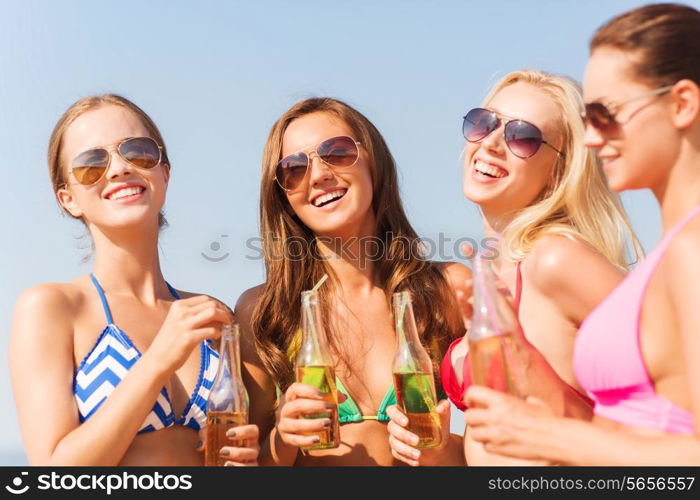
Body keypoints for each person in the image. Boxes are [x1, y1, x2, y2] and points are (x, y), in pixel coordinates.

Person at [465, 3, 700, 465]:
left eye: (605, 114)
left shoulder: (692, 247)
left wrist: (550, 439)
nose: (591, 139)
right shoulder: (671, 251)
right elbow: (629, 425)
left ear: (682, 105)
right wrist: (523, 359)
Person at [389, 69, 643, 465]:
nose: (491, 143)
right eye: (483, 123)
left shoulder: (556, 259)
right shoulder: (490, 272)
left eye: (521, 136)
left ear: (561, 170)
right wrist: (440, 449)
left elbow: (677, 392)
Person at [9, 94, 258, 466]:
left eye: (138, 152)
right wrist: (158, 359)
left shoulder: (211, 315)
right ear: (68, 199)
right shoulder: (51, 308)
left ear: (164, 173)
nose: (119, 169)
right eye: (91, 164)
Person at [235, 97, 470, 466]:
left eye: (337, 152)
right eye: (294, 167)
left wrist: (442, 449)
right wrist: (283, 438)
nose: (318, 174)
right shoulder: (263, 311)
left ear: (373, 159)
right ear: (282, 194)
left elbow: (498, 452)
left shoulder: (447, 290)